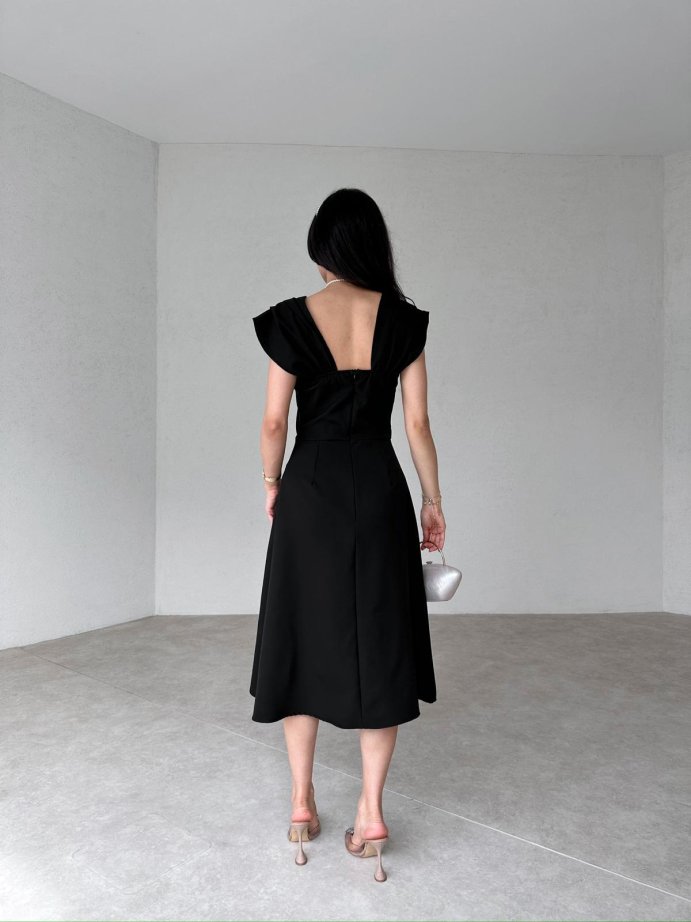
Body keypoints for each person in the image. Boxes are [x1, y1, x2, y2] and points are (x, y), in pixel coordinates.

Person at [250, 188, 445, 882]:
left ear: (322, 251)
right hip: (380, 486)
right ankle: (371, 811)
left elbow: (274, 422)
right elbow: (416, 425)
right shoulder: (404, 322)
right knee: (379, 637)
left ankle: (301, 802)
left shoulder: (290, 319)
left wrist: (271, 483)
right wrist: (432, 500)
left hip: (310, 486)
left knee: (301, 633)